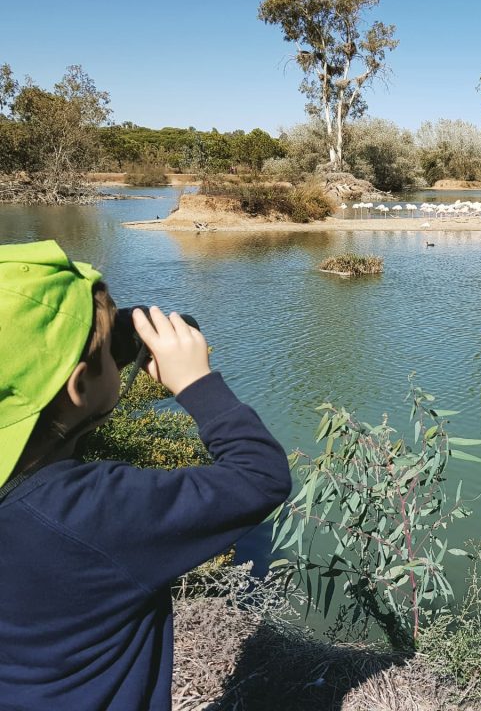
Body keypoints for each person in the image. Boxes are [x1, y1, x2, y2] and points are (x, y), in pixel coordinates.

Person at [0, 240, 292, 710]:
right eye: (105, 352)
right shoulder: (89, 513)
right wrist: (196, 384)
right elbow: (261, 476)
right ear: (77, 387)